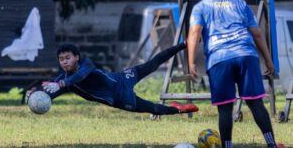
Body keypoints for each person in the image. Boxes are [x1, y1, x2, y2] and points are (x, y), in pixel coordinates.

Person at [187, 0, 285, 148]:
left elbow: (195, 33)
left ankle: (227, 146)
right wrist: (269, 61)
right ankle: (271, 144)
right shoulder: (240, 3)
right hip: (246, 55)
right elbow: (258, 34)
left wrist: (191, 62)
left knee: (225, 108)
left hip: (219, 58)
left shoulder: (201, 7)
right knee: (255, 103)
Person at [28, 42, 198, 116]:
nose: (64, 62)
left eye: (67, 58)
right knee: (154, 109)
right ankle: (178, 109)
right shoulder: (64, 81)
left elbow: (80, 76)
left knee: (152, 64)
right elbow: (48, 95)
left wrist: (61, 83)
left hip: (122, 78)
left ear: (77, 57)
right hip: (120, 98)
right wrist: (35, 95)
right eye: (61, 59)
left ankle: (183, 44)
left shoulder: (86, 64)